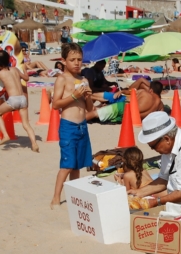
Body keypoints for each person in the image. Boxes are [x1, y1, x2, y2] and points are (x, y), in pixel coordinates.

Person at [50, 43, 94, 209]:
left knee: (77, 165)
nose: (76, 63)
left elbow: (90, 109)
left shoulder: (84, 79)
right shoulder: (62, 79)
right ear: (64, 61)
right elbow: (56, 104)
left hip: (82, 126)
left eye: (79, 59)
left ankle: (74, 196)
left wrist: (88, 96)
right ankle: (56, 197)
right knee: (67, 165)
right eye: (72, 59)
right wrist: (75, 96)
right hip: (68, 126)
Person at [0, 50, 39, 152]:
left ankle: (5, 135)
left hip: (13, 100)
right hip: (23, 99)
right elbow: (26, 78)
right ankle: (34, 143)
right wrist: (25, 69)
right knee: (26, 124)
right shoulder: (15, 69)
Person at [86, 81, 167, 123]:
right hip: (128, 119)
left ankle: (76, 121)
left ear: (151, 90)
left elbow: (130, 92)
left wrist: (122, 91)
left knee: (95, 113)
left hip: (123, 108)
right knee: (97, 112)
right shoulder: (161, 105)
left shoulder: (144, 92)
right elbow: (162, 118)